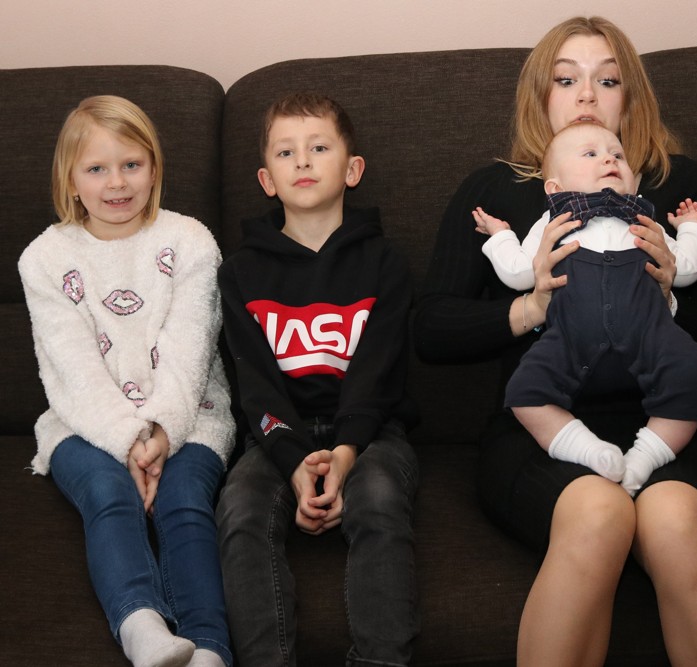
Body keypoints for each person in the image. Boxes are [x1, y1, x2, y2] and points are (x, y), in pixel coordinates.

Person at [414, 16, 697, 667]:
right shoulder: (497, 192)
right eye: (567, 80)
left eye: (608, 80)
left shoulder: (677, 188)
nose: (587, 97)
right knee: (600, 513)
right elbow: (430, 329)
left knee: (676, 523)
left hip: (665, 426)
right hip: (538, 431)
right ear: (540, 95)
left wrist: (668, 295)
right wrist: (532, 306)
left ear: (631, 98)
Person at [17, 95, 235, 667]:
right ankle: (142, 628)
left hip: (189, 415)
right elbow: (72, 367)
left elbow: (190, 349)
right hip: (83, 422)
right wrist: (126, 439)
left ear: (154, 169)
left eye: (131, 164)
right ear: (70, 181)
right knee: (109, 495)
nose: (116, 182)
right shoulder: (44, 258)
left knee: (184, 502)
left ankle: (210, 648)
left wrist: (160, 431)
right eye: (96, 168)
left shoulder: (190, 242)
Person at [215, 92, 420, 667]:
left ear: (352, 170)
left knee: (378, 499)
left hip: (374, 433)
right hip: (278, 435)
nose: (302, 160)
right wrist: (293, 459)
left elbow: (377, 374)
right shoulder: (240, 273)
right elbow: (254, 386)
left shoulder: (385, 263)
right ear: (267, 180)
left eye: (319, 148)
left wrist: (347, 452)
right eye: (286, 152)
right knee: (239, 509)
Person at [474, 122, 697, 493]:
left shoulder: (645, 220)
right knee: (524, 392)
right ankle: (589, 451)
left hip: (651, 335)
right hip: (570, 337)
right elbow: (519, 272)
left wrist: (691, 230)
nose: (609, 159)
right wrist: (502, 236)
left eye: (617, 155)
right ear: (554, 188)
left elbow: (684, 269)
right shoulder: (552, 223)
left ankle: (645, 457)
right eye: (591, 153)